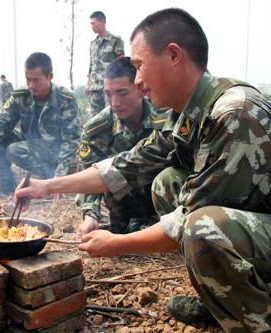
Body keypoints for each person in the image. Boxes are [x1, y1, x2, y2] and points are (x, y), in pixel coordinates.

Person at [15, 8, 271, 332]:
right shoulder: (185, 112)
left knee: (202, 228)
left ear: (174, 55)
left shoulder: (234, 113)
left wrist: (117, 243)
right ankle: (223, 297)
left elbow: (185, 222)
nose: (137, 81)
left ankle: (257, 317)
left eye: (139, 67)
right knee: (167, 184)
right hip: (257, 221)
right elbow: (125, 166)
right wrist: (46, 187)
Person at [77, 57, 164, 236]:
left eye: (122, 93)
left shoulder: (165, 116)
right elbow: (89, 176)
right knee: (108, 173)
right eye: (108, 94)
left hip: (162, 196)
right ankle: (133, 223)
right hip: (124, 203)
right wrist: (90, 216)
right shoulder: (97, 129)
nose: (115, 102)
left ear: (140, 89)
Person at [0, 52, 80, 194]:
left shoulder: (65, 99)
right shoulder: (21, 95)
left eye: (36, 80)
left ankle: (48, 178)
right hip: (30, 144)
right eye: (28, 80)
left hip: (55, 151)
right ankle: (6, 180)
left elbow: (71, 141)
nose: (31, 85)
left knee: (14, 150)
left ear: (50, 76)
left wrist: (58, 180)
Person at [86, 11, 124, 116]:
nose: (92, 26)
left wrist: (119, 84)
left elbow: (121, 63)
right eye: (91, 24)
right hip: (94, 87)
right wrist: (87, 83)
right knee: (93, 118)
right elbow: (91, 65)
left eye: (93, 23)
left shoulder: (116, 40)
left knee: (110, 115)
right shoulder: (93, 44)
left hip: (109, 87)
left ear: (102, 22)